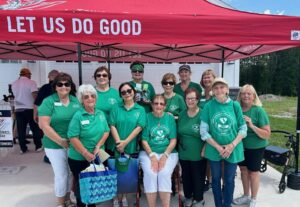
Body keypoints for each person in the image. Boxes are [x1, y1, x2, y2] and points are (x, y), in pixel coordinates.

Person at [200, 77, 247, 207]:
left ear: (226, 89)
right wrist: (218, 147)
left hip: (233, 149)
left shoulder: (235, 105)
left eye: (221, 87)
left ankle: (227, 204)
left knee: (229, 180)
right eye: (216, 88)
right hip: (214, 149)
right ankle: (218, 205)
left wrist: (231, 146)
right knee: (215, 179)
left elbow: (243, 128)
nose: (219, 90)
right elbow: (203, 131)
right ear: (213, 91)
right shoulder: (209, 106)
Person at [38, 72, 80, 207]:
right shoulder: (49, 101)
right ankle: (61, 204)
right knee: (61, 174)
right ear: (55, 86)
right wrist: (60, 140)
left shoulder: (75, 100)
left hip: (72, 144)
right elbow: (43, 125)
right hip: (54, 145)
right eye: (60, 84)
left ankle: (68, 200)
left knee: (70, 173)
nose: (63, 87)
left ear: (71, 86)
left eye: (67, 84)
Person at [67, 84, 110, 207]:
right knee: (83, 190)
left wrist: (98, 146)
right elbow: (73, 137)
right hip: (80, 158)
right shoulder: (78, 116)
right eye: (86, 97)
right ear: (82, 100)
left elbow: (106, 131)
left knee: (94, 187)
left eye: (92, 96)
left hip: (97, 156)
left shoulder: (100, 114)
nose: (90, 99)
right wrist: (85, 153)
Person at [109, 82, 146, 207]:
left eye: (129, 91)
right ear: (120, 95)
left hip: (131, 146)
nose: (127, 94)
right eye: (123, 92)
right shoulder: (116, 108)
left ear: (134, 92)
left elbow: (139, 127)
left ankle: (124, 197)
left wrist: (125, 142)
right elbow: (112, 125)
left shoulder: (140, 109)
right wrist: (119, 142)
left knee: (126, 173)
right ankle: (116, 197)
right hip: (117, 145)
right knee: (116, 172)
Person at [233, 84, 271, 207]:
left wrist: (252, 126)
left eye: (249, 93)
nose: (246, 96)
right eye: (243, 93)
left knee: (253, 172)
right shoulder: (236, 108)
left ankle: (253, 199)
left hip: (256, 147)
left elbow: (266, 134)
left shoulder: (258, 110)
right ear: (240, 96)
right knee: (243, 171)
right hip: (241, 146)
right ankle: (245, 195)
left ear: (254, 96)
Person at [139, 94, 178, 207]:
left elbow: (173, 140)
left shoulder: (170, 118)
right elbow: (144, 140)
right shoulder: (147, 117)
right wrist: (152, 156)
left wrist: (165, 156)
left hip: (168, 152)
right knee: (151, 174)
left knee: (164, 173)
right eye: (156, 103)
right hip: (149, 152)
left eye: (161, 104)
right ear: (151, 105)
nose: (158, 106)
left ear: (165, 106)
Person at [178, 88, 206, 207]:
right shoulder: (182, 114)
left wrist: (205, 148)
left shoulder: (203, 114)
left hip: (198, 153)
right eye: (188, 98)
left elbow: (209, 134)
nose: (190, 101)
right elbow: (178, 133)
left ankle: (199, 199)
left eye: (192, 99)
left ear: (197, 100)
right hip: (183, 152)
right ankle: (188, 197)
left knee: (197, 176)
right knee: (186, 176)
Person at [12, 68, 43, 153]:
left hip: (18, 109)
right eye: (30, 74)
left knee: (21, 129)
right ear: (27, 74)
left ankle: (23, 148)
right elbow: (34, 95)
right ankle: (38, 146)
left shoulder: (14, 84)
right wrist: (38, 105)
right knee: (35, 128)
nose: (30, 76)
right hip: (30, 108)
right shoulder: (31, 82)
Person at [93, 66, 121, 155]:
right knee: (98, 158)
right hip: (96, 132)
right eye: (99, 75)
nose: (101, 77)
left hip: (113, 132)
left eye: (104, 75)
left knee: (110, 156)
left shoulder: (116, 93)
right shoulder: (91, 93)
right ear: (95, 78)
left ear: (109, 78)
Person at [34, 69, 60, 163]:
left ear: (48, 77)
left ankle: (49, 156)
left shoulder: (44, 87)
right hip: (59, 116)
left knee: (48, 135)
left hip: (46, 117)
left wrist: (35, 114)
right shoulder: (61, 87)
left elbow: (37, 103)